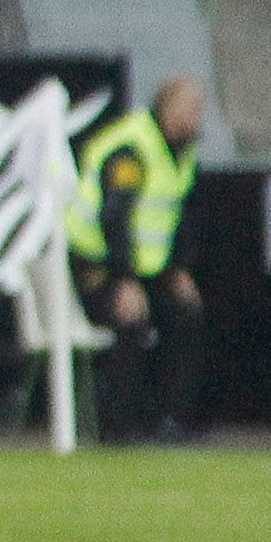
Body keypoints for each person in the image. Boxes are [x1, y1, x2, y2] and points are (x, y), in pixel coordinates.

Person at [70, 73, 209, 443]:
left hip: (148, 267)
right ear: (167, 109)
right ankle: (117, 425)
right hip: (98, 264)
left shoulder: (182, 150)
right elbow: (114, 219)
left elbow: (180, 214)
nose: (199, 117)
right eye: (192, 108)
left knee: (186, 315)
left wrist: (180, 270)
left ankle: (174, 420)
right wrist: (124, 280)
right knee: (130, 320)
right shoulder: (130, 147)